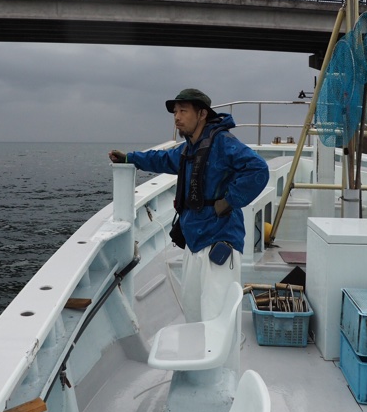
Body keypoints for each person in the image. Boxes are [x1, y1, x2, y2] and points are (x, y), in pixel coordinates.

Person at [109, 88, 269, 323]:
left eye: (183, 111)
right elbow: (161, 159)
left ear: (202, 114)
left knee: (218, 319)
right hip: (194, 242)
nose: (177, 117)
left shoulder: (223, 143)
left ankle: (220, 361)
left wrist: (228, 201)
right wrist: (129, 158)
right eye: (175, 112)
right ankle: (200, 357)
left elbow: (258, 169)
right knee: (194, 313)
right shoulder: (189, 150)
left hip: (219, 241)